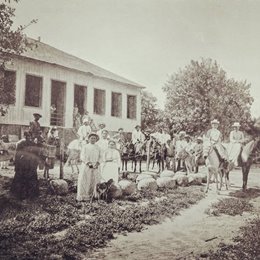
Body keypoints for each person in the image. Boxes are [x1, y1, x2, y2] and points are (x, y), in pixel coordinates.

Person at [11, 131, 41, 200]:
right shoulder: (21, 143)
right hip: (24, 164)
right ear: (25, 136)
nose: (29, 138)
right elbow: (17, 155)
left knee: (29, 179)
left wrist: (36, 164)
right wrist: (16, 165)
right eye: (28, 136)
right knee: (23, 178)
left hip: (29, 165)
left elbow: (36, 155)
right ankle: (22, 195)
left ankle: (30, 195)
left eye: (30, 136)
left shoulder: (32, 144)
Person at [77, 133, 101, 202]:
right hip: (86, 166)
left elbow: (101, 156)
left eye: (94, 138)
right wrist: (88, 163)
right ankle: (84, 196)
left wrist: (97, 163)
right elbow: (82, 156)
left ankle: (93, 195)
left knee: (94, 180)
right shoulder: (85, 147)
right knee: (85, 179)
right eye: (91, 138)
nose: (93, 140)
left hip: (95, 166)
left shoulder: (98, 147)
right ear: (89, 139)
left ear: (96, 139)